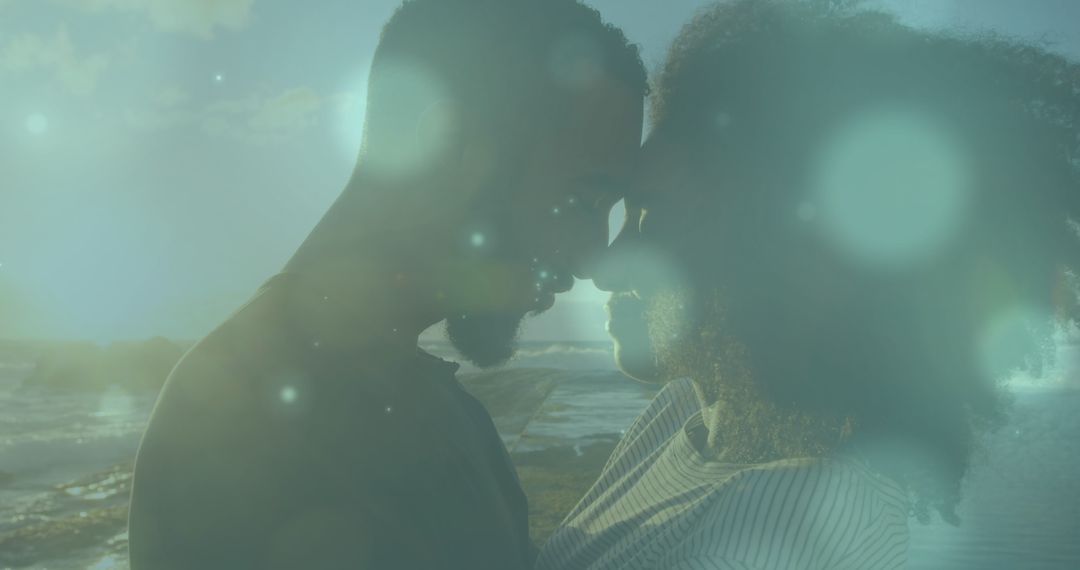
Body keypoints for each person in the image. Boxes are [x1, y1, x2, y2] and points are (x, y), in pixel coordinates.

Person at [537, 1, 1080, 569]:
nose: (605, 262)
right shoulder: (687, 414)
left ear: (780, 256)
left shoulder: (790, 519)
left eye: (654, 216)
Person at [127, 0, 646, 568]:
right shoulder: (239, 425)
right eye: (585, 200)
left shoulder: (445, 410)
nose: (597, 256)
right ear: (444, 151)